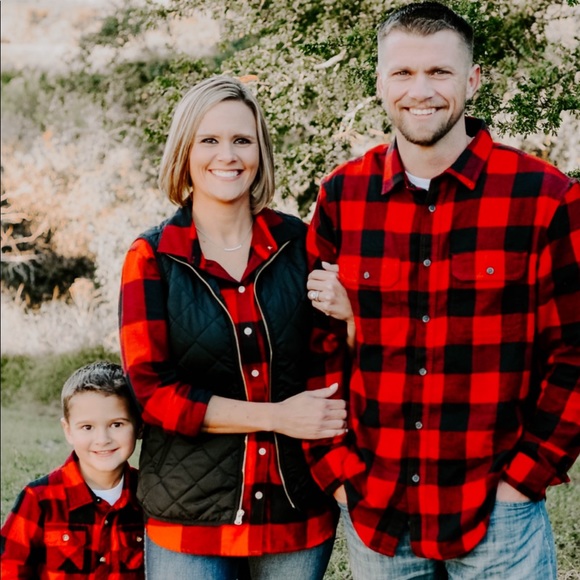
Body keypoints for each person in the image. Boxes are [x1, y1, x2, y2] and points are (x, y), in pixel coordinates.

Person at [304, 2, 580, 578]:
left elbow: (574, 352)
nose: (421, 90)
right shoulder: (342, 197)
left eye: (439, 72)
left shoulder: (545, 197)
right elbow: (316, 348)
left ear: (472, 80)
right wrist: (337, 471)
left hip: (498, 510)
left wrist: (526, 476)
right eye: (403, 72)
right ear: (380, 82)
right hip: (377, 506)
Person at [118, 75, 349, 580]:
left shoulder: (302, 246)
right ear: (185, 152)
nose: (228, 155)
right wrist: (278, 416)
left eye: (242, 140)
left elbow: (333, 362)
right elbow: (153, 394)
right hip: (189, 522)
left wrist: (353, 316)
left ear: (260, 152)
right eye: (210, 140)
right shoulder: (152, 257)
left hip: (295, 514)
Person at [1, 361, 144, 579]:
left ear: (138, 425)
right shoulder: (39, 499)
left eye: (117, 424)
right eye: (87, 427)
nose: (102, 439)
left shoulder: (148, 495)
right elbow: (9, 569)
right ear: (68, 430)